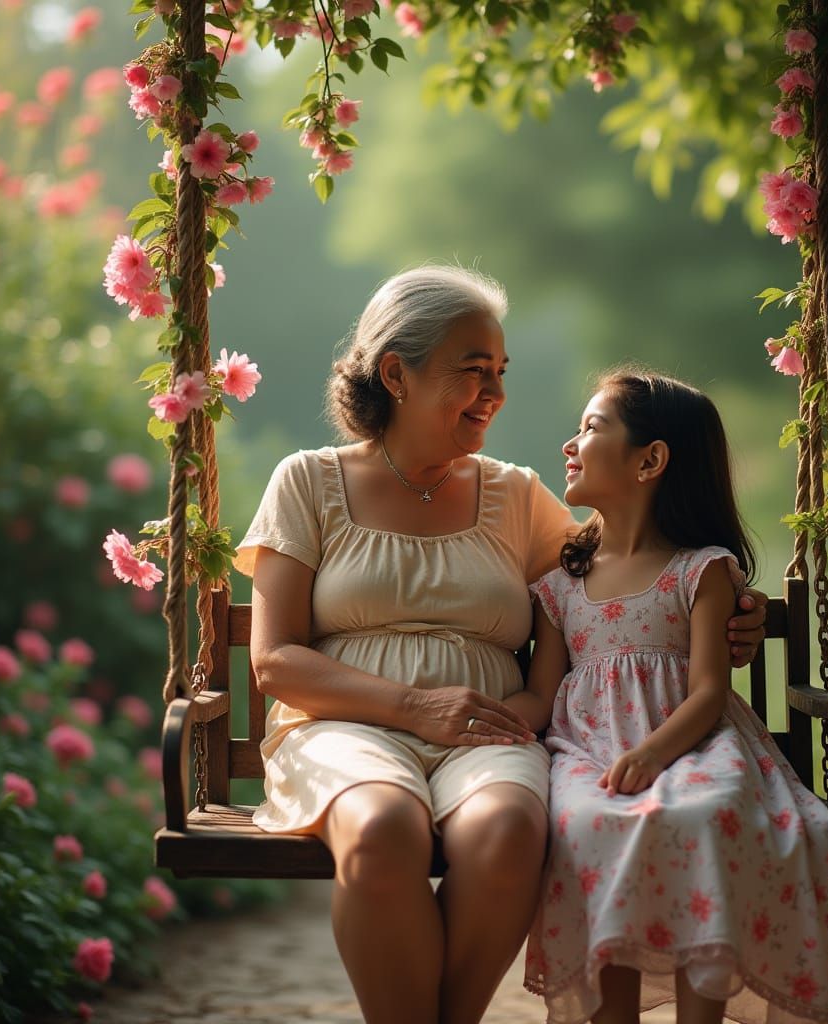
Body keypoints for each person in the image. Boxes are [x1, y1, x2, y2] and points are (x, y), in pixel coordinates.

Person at [233, 267, 769, 1024]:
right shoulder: (308, 483)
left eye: (501, 372)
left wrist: (731, 612)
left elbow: (631, 572)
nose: (496, 393)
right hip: (339, 724)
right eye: (473, 371)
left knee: (511, 830)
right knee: (385, 829)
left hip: (489, 725)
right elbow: (274, 660)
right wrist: (414, 707)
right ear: (397, 375)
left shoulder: (514, 495)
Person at [508, 369, 828, 1024]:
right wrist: (490, 721)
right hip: (589, 752)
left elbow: (710, 692)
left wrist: (655, 753)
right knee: (587, 823)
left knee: (707, 811)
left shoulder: (700, 569)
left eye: (592, 428)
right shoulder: (561, 581)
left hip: (693, 741)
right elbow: (542, 695)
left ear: (651, 459)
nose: (570, 444)